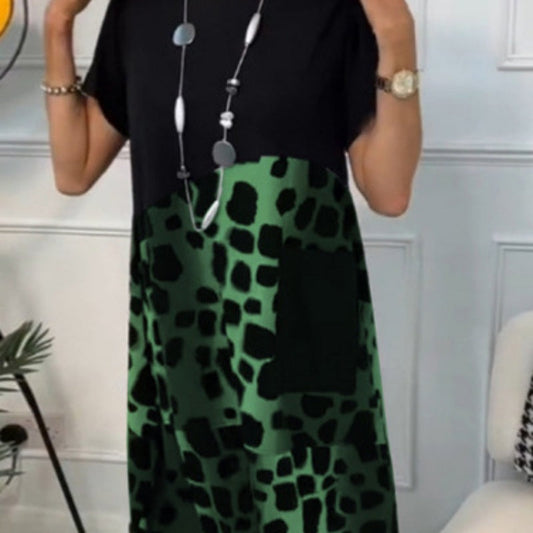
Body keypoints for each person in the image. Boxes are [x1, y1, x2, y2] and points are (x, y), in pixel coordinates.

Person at [43, 0, 422, 531]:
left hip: (303, 316)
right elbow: (75, 169)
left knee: (312, 509)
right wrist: (58, 23)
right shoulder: (139, 11)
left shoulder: (335, 10)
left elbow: (389, 192)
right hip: (182, 312)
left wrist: (397, 31)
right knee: (192, 506)